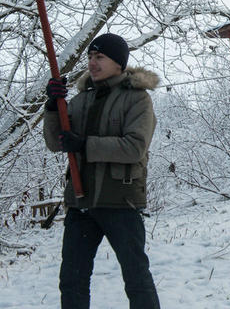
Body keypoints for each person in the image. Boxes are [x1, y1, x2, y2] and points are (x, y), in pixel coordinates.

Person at [43, 33, 161, 309]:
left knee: (136, 277)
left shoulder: (137, 99)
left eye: (100, 57)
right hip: (80, 202)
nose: (92, 63)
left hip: (121, 200)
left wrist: (85, 144)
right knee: (72, 280)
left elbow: (134, 147)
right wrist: (52, 107)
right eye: (90, 57)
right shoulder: (81, 100)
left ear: (119, 63)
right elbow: (54, 142)